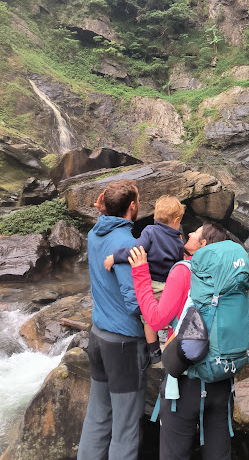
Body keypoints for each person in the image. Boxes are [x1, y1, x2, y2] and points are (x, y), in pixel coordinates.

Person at [129, 222, 232, 460]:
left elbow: (155, 321)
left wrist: (141, 273)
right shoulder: (231, 276)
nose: (190, 232)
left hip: (186, 382)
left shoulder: (184, 271)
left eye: (196, 232)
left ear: (203, 244)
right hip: (222, 380)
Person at [77, 180, 148, 460]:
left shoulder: (95, 233)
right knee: (125, 429)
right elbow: (135, 302)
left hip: (98, 337)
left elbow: (105, 224)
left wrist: (101, 211)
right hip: (124, 346)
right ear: (132, 206)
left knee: (97, 417)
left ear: (104, 207)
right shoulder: (127, 245)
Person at [104, 195, 185, 366]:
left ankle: (154, 351)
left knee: (148, 318)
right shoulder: (178, 242)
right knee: (172, 316)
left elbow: (135, 251)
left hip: (151, 284)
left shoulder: (150, 231)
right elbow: (178, 266)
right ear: (177, 220)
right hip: (169, 287)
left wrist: (115, 256)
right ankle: (171, 343)